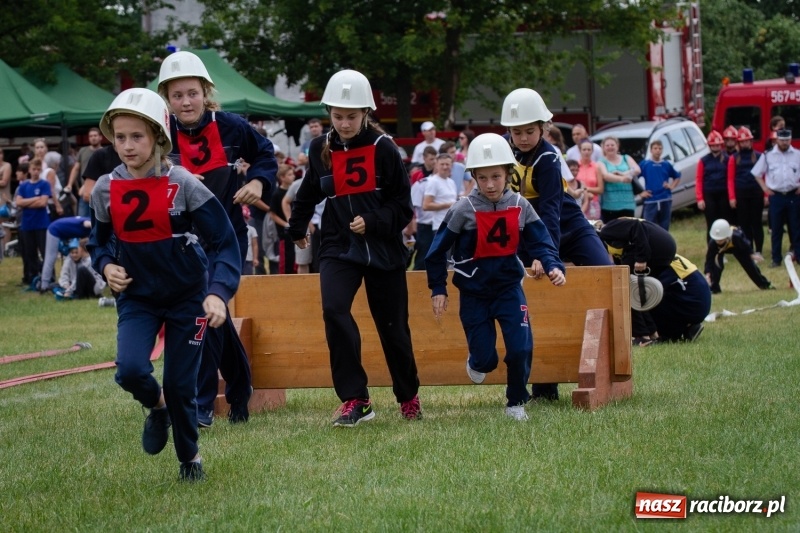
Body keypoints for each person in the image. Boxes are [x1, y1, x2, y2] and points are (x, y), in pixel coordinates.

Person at [88, 88, 241, 482]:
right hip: (137, 298)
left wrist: (218, 293)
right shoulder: (105, 189)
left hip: (188, 298)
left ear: (158, 136)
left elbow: (225, 242)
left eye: (136, 136)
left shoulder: (184, 183)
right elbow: (98, 243)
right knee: (129, 371)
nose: (127, 146)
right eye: (120, 137)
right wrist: (106, 265)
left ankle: (190, 459)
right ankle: (158, 408)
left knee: (179, 383)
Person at [287, 69, 422, 426]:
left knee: (393, 328)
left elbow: (403, 207)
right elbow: (309, 191)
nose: (344, 124)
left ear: (366, 113)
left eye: (351, 116)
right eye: (338, 116)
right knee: (334, 310)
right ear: (328, 113)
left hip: (383, 249)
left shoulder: (384, 149)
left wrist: (373, 221)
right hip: (337, 244)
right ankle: (356, 399)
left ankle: (408, 395)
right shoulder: (319, 148)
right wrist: (296, 227)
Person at [158, 50, 278, 427]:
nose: (186, 102)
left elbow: (266, 154)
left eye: (192, 93)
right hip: (181, 245)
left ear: (206, 92)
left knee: (202, 311)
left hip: (226, 240)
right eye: (177, 95)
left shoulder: (231, 127)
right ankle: (240, 387)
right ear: (166, 98)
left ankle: (202, 405)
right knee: (212, 318)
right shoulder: (159, 133)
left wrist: (258, 182)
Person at [425, 133, 566, 420]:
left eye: (496, 177)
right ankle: (477, 360)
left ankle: (516, 402)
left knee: (521, 347)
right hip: (474, 294)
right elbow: (436, 251)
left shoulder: (520, 205)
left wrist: (553, 265)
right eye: (483, 178)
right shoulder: (462, 210)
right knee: (485, 360)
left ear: (508, 174)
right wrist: (438, 288)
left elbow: (541, 241)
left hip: (509, 289)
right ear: (474, 177)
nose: (490, 184)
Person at [501, 88, 612, 400]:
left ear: (543, 128)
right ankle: (545, 383)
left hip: (567, 225)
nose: (523, 138)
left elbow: (550, 212)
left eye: (530, 131)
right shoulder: (502, 151)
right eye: (517, 132)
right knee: (536, 297)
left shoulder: (549, 159)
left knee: (606, 272)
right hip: (527, 231)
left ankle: (612, 363)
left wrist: (545, 254)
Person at [598, 217, 711, 344]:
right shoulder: (656, 251)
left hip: (693, 298)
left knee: (639, 296)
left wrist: (642, 332)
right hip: (696, 294)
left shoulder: (650, 261)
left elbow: (640, 298)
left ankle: (669, 331)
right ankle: (684, 329)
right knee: (643, 296)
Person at [751, 128, 800, 268]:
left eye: (787, 140)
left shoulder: (797, 154)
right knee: (776, 229)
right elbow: (756, 173)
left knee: (796, 227)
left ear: (790, 139)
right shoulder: (768, 155)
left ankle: (798, 256)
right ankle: (776, 259)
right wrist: (765, 189)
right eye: (782, 140)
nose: (785, 143)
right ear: (777, 140)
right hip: (776, 196)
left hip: (793, 195)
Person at [727, 126, 766, 261]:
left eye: (746, 141)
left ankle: (759, 250)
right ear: (739, 143)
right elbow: (730, 179)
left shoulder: (759, 156)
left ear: (750, 141)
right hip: (741, 195)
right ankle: (749, 251)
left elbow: (764, 176)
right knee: (744, 224)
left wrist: (766, 194)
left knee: (756, 223)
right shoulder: (734, 158)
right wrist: (732, 197)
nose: (744, 143)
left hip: (756, 193)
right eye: (742, 141)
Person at [705, 219, 773, 293]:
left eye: (721, 240)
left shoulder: (737, 236)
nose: (718, 242)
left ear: (727, 235)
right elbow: (709, 259)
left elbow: (746, 245)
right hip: (720, 251)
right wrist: (708, 273)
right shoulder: (713, 243)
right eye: (717, 240)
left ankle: (764, 285)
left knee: (750, 267)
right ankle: (714, 288)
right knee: (716, 266)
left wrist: (751, 254)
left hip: (737, 247)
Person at [14, 157, 51, 286]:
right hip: (27, 224)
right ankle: (33, 278)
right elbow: (18, 202)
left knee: (45, 252)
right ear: (29, 170)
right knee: (30, 253)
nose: (36, 172)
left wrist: (26, 203)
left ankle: (49, 278)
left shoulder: (44, 184)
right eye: (33, 169)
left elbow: (43, 203)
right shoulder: (24, 185)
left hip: (41, 223)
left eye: (38, 169)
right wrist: (35, 199)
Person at [38, 215, 93, 292]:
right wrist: (97, 226)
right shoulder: (89, 222)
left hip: (63, 233)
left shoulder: (88, 226)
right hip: (54, 230)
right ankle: (44, 285)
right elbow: (87, 223)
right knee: (50, 258)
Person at [597, 136, 641, 222]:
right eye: (607, 145)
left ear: (617, 146)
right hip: (610, 204)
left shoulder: (626, 158)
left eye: (612, 145)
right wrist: (623, 179)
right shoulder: (601, 162)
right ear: (603, 147)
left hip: (628, 202)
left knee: (628, 227)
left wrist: (623, 173)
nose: (610, 147)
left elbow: (637, 169)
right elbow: (606, 176)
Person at [696, 130, 733, 235]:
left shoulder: (727, 159)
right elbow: (699, 179)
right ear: (709, 146)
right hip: (709, 194)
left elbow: (730, 179)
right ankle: (711, 243)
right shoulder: (703, 161)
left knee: (725, 221)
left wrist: (731, 197)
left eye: (717, 145)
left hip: (723, 194)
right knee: (711, 222)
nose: (716, 147)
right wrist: (699, 198)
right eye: (713, 145)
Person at [639, 139, 681, 230]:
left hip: (665, 198)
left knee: (664, 227)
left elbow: (677, 176)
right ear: (651, 150)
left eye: (660, 148)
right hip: (651, 200)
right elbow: (634, 177)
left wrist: (671, 186)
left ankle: (664, 239)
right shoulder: (645, 164)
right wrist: (640, 192)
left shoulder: (666, 164)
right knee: (649, 227)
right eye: (655, 148)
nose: (658, 150)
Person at [68, 127, 103, 217]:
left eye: (95, 135)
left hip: (100, 192)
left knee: (99, 219)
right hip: (84, 192)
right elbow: (76, 168)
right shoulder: (83, 151)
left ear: (100, 137)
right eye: (91, 136)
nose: (93, 138)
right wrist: (69, 184)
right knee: (82, 219)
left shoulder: (105, 152)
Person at [269, 164, 297, 273]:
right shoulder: (277, 194)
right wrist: (286, 224)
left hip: (296, 231)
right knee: (286, 261)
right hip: (284, 233)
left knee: (295, 260)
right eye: (289, 175)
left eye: (293, 174)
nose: (293, 176)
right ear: (282, 177)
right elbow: (272, 214)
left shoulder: (295, 191)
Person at [575, 139, 602, 220]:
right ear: (580, 150)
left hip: (593, 203)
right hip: (578, 203)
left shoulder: (596, 167)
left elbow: (600, 189)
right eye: (584, 149)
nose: (586, 152)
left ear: (592, 151)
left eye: (589, 149)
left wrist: (586, 189)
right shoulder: (575, 166)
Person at [241, 205, 259, 275]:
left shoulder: (252, 230)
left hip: (248, 259)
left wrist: (255, 258)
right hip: (238, 259)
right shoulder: (234, 230)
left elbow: (255, 245)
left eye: (245, 218)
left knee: (248, 276)